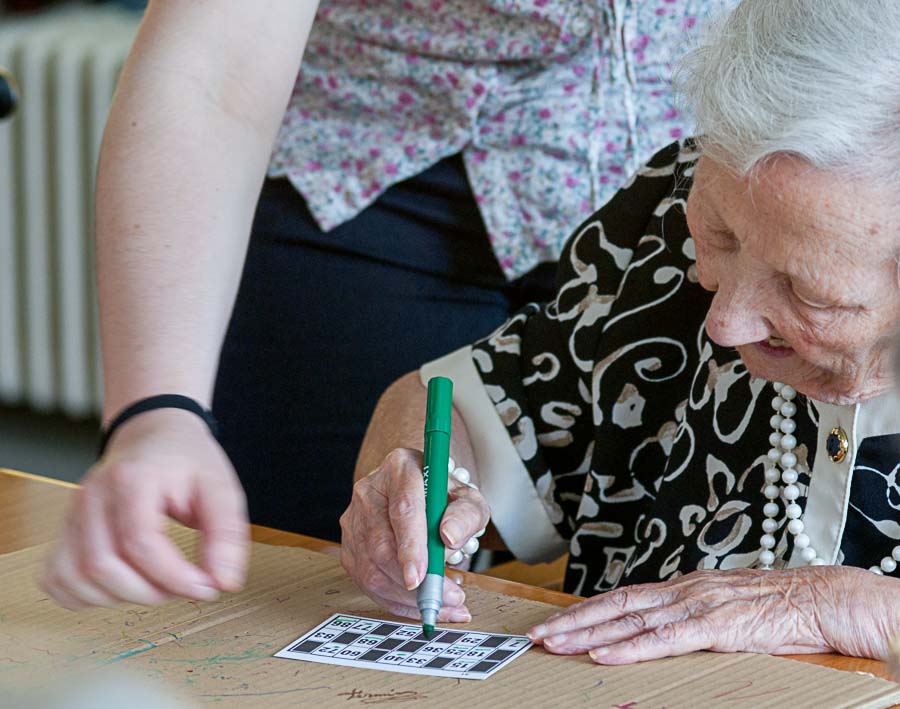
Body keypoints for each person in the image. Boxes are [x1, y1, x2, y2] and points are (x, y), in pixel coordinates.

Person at [41, 0, 732, 608]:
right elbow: (213, 66)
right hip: (370, 188)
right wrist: (158, 411)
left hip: (690, 218)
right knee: (330, 593)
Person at [340, 0, 900, 662]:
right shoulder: (665, 218)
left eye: (807, 291)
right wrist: (409, 481)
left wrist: (861, 608)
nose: (723, 323)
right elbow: (450, 400)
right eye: (718, 231)